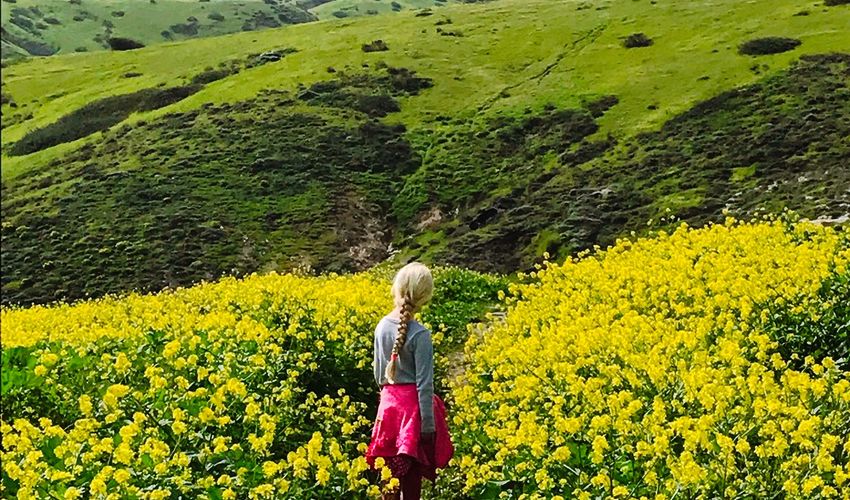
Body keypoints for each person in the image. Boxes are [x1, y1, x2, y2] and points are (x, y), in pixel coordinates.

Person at [365, 262, 452, 499]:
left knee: (388, 477)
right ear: (425, 297)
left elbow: (378, 375)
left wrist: (388, 399)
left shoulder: (381, 326)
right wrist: (428, 428)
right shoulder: (420, 334)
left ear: (397, 288)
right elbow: (425, 386)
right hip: (412, 415)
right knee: (411, 482)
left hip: (388, 408)